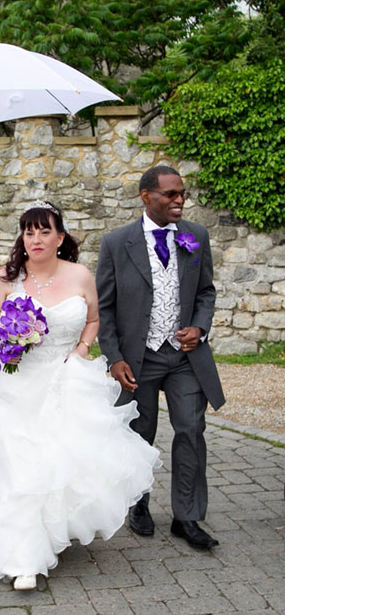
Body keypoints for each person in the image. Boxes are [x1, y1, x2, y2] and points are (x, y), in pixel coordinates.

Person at [0, 201, 160, 591]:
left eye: (44, 231)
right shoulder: (5, 278)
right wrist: (9, 345)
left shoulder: (80, 275)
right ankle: (23, 558)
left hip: (66, 379)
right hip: (15, 383)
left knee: (59, 460)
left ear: (60, 237)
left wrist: (83, 350)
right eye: (29, 232)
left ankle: (51, 527)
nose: (35, 239)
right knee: (16, 464)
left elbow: (92, 319)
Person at [95, 165, 226, 550]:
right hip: (139, 358)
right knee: (140, 433)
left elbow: (206, 292)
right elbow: (104, 307)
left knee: (191, 430)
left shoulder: (195, 236)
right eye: (170, 194)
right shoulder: (117, 243)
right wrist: (114, 357)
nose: (179, 200)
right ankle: (139, 506)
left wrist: (199, 328)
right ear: (146, 196)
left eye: (182, 193)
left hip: (185, 358)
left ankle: (187, 517)